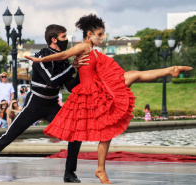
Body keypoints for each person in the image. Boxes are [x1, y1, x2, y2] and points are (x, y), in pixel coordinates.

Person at [25, 14, 192, 184]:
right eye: (99, 34)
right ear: (89, 34)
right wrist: (40, 59)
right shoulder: (83, 47)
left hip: (100, 87)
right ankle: (99, 170)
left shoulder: (94, 51)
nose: (102, 37)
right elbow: (63, 55)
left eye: (103, 33)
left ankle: (171, 69)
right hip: (88, 94)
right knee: (105, 129)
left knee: (133, 75)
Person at [0, 24, 89, 182]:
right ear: (53, 39)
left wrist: (82, 70)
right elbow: (52, 81)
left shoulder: (64, 60)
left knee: (75, 133)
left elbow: (71, 86)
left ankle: (69, 173)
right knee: (7, 137)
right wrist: (73, 67)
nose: (67, 40)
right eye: (63, 37)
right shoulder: (41, 56)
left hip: (52, 104)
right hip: (35, 103)